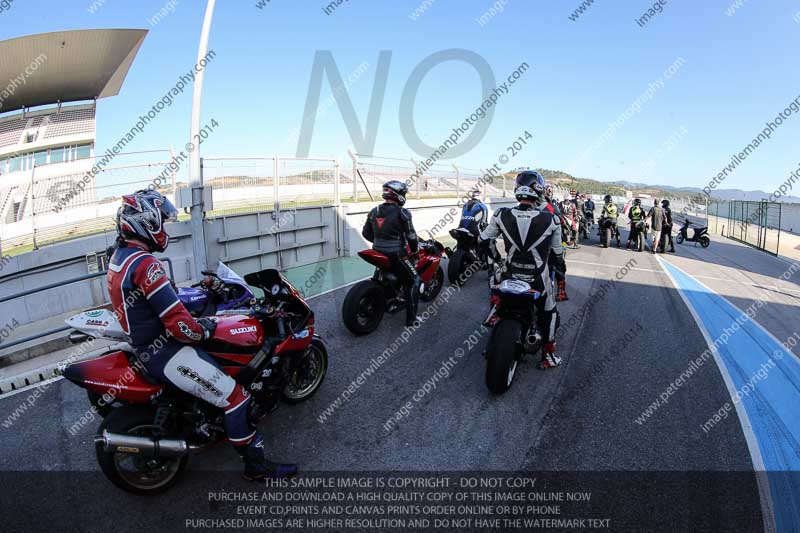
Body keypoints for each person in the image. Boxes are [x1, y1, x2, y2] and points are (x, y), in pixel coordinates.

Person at [109, 190, 296, 481]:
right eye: (163, 222)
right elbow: (180, 326)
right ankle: (256, 468)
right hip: (166, 351)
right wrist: (206, 328)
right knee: (237, 398)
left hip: (146, 346)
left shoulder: (121, 258)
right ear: (148, 222)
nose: (166, 229)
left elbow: (162, 301)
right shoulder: (146, 265)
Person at [480, 170, 565, 369]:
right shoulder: (552, 220)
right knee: (549, 311)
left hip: (509, 274)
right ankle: (548, 355)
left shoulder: (501, 214)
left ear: (518, 190)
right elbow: (558, 254)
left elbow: (484, 240)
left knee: (496, 286)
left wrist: (497, 260)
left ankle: (496, 314)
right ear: (539, 190)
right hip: (537, 279)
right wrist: (556, 264)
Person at [362, 180, 421, 326]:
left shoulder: (374, 211)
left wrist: (381, 241)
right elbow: (412, 236)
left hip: (377, 250)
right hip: (396, 253)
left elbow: (366, 233)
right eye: (403, 193)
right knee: (414, 281)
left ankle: (388, 296)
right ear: (398, 195)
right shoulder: (403, 212)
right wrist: (415, 251)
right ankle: (412, 319)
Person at [541, 184, 568, 301]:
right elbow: (561, 221)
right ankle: (561, 291)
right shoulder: (550, 207)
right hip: (548, 246)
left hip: (527, 245)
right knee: (559, 262)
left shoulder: (524, 207)